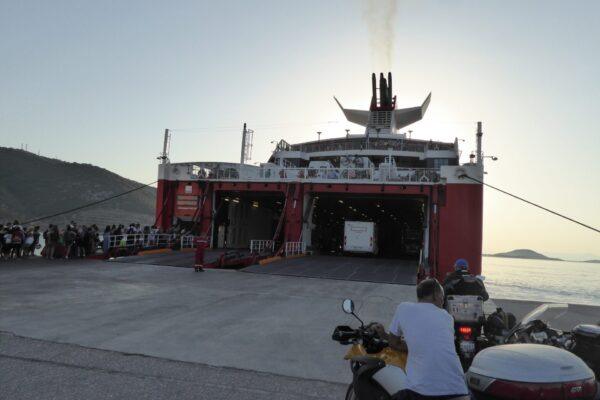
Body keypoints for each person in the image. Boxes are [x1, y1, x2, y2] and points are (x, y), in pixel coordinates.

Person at [375, 279, 469, 400]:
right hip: (459, 389)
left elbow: (394, 343)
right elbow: (430, 344)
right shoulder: (447, 317)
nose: (443, 300)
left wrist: (383, 335)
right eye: (442, 296)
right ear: (435, 295)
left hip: (422, 392)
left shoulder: (404, 308)